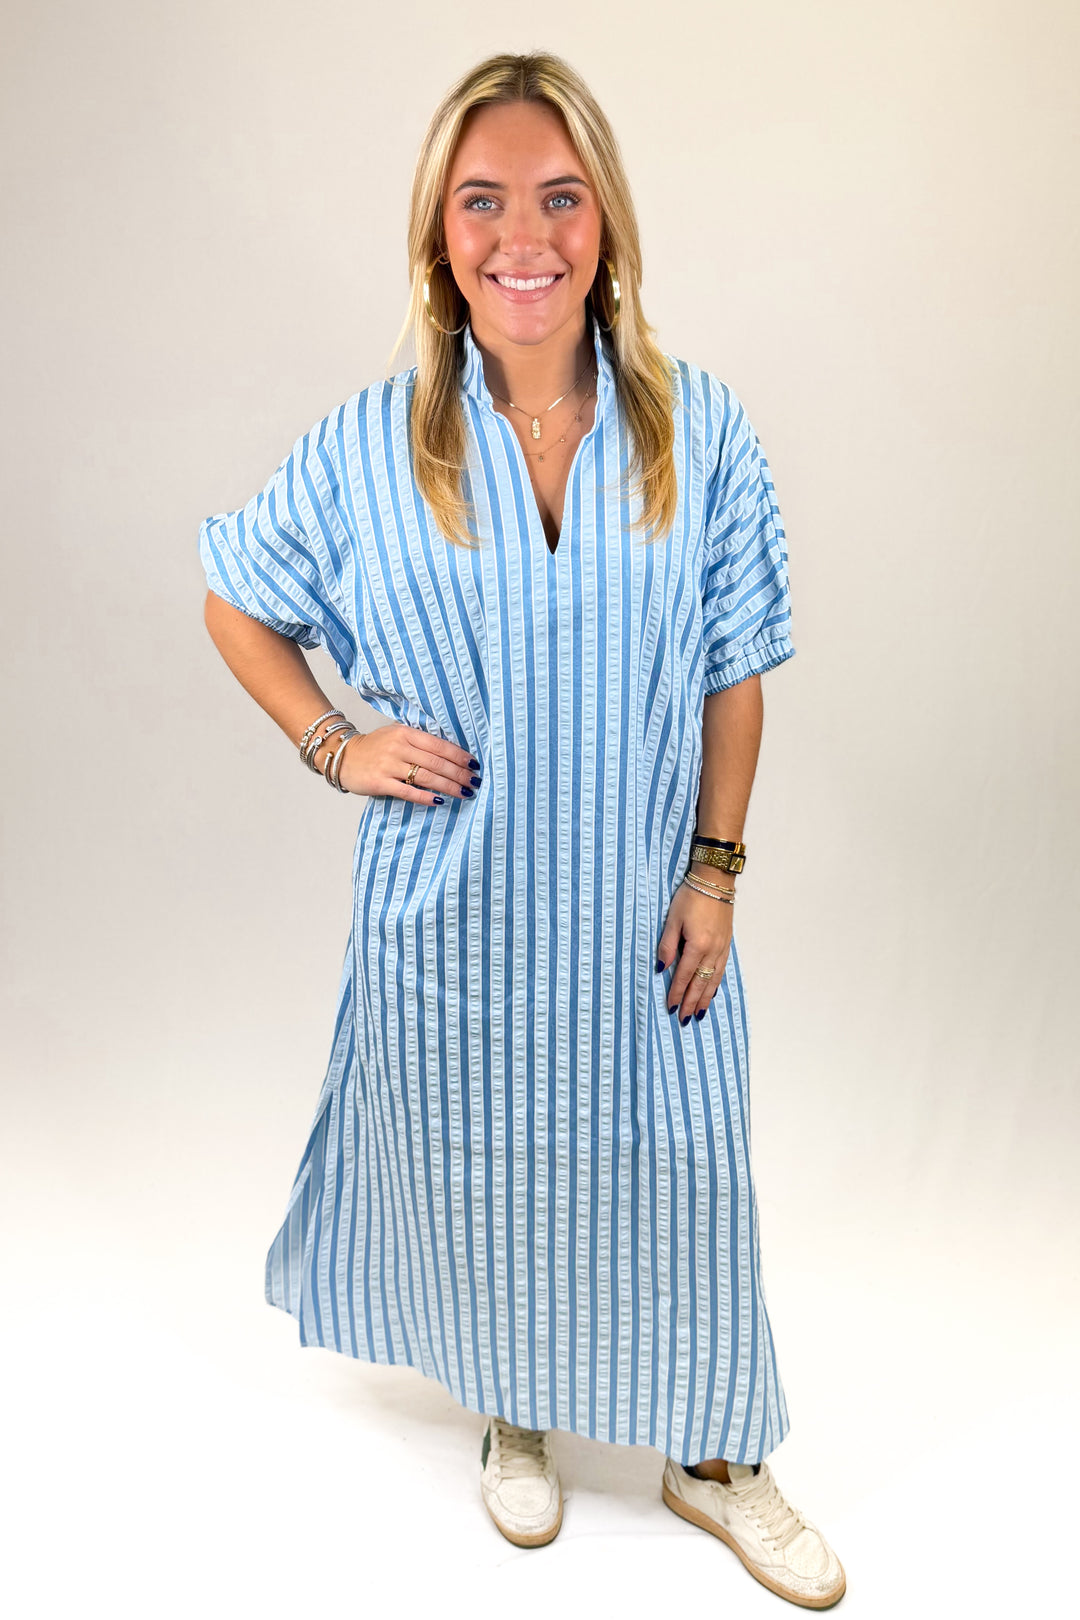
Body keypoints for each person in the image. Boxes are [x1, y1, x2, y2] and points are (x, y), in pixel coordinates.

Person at [198, 49, 845, 1610]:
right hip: (457, 916)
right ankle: (518, 1408)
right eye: (481, 203)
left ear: (607, 225)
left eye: (559, 198)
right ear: (440, 238)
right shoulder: (371, 446)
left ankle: (715, 1453)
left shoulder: (701, 431)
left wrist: (718, 867)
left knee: (685, 1163)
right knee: (491, 1165)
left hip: (641, 908)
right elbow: (237, 596)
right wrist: (334, 746)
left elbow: (738, 672)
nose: (522, 236)